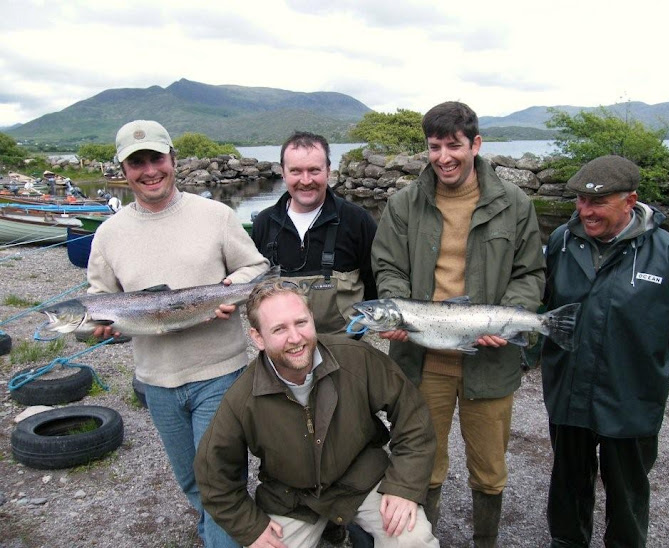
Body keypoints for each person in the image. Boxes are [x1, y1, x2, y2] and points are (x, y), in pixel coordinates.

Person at [87, 119, 270, 548]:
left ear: (173, 160)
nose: (149, 170)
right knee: (191, 482)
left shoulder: (216, 215)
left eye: (156, 158)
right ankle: (216, 531)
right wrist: (102, 331)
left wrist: (230, 289)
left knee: (219, 485)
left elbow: (256, 268)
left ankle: (221, 536)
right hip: (156, 382)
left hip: (220, 374)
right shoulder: (108, 234)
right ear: (124, 170)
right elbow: (100, 300)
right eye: (137, 163)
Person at [370, 101, 545, 547]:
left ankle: (485, 541)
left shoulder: (515, 204)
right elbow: (388, 267)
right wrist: (394, 311)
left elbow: (530, 274)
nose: (443, 156)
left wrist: (505, 322)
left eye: (454, 145)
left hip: (490, 362)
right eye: (434, 146)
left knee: (489, 468)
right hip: (421, 362)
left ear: (476, 144)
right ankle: (423, 539)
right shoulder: (403, 204)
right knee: (423, 464)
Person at [193, 281, 439, 547]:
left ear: (312, 318)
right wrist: (250, 527)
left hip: (363, 480)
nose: (295, 338)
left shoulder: (356, 358)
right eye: (279, 329)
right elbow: (212, 474)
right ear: (258, 338)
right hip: (292, 498)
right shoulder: (241, 399)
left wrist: (404, 487)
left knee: (414, 540)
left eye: (301, 322)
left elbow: (413, 416)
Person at [540, 155, 669, 547]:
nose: (585, 211)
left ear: (630, 201)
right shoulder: (561, 241)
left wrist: (640, 362)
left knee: (628, 491)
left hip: (632, 396)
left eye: (597, 203)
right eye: (579, 200)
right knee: (568, 484)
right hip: (569, 389)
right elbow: (545, 305)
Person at [251, 131, 377, 335]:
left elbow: (374, 284)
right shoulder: (263, 224)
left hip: (345, 346)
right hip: (284, 350)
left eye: (314, 170)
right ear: (283, 172)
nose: (306, 180)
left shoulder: (358, 221)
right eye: (296, 171)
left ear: (328, 171)